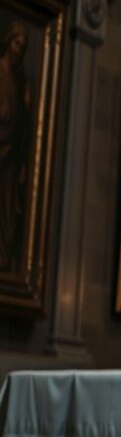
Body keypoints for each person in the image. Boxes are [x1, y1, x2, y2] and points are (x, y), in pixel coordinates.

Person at [0, 21, 30, 271]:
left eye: (22, 47)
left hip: (11, 152)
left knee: (8, 207)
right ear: (8, 42)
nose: (18, 50)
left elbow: (23, 124)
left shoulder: (21, 82)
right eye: (16, 43)